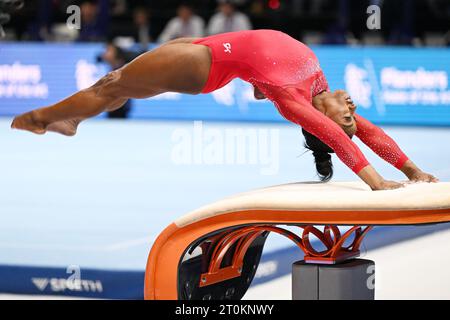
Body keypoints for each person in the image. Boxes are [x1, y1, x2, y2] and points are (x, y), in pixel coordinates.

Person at [11, 30, 438, 190]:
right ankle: (73, 117)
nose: (352, 106)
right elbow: (366, 131)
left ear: (324, 118)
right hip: (212, 47)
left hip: (204, 64)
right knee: (121, 88)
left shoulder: (297, 100)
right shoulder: (320, 88)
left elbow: (337, 138)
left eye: (346, 112)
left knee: (111, 84)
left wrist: (376, 182)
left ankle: (45, 118)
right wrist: (412, 170)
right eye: (351, 109)